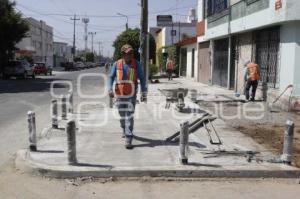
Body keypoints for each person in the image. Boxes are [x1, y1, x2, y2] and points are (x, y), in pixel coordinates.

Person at [108, 44, 147, 149]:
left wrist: (144, 92)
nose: (129, 55)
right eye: (127, 53)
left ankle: (128, 137)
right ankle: (124, 128)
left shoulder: (136, 64)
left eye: (130, 53)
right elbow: (111, 77)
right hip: (120, 94)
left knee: (129, 114)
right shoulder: (117, 64)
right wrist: (109, 89)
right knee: (122, 114)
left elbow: (142, 79)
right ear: (123, 54)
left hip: (131, 94)